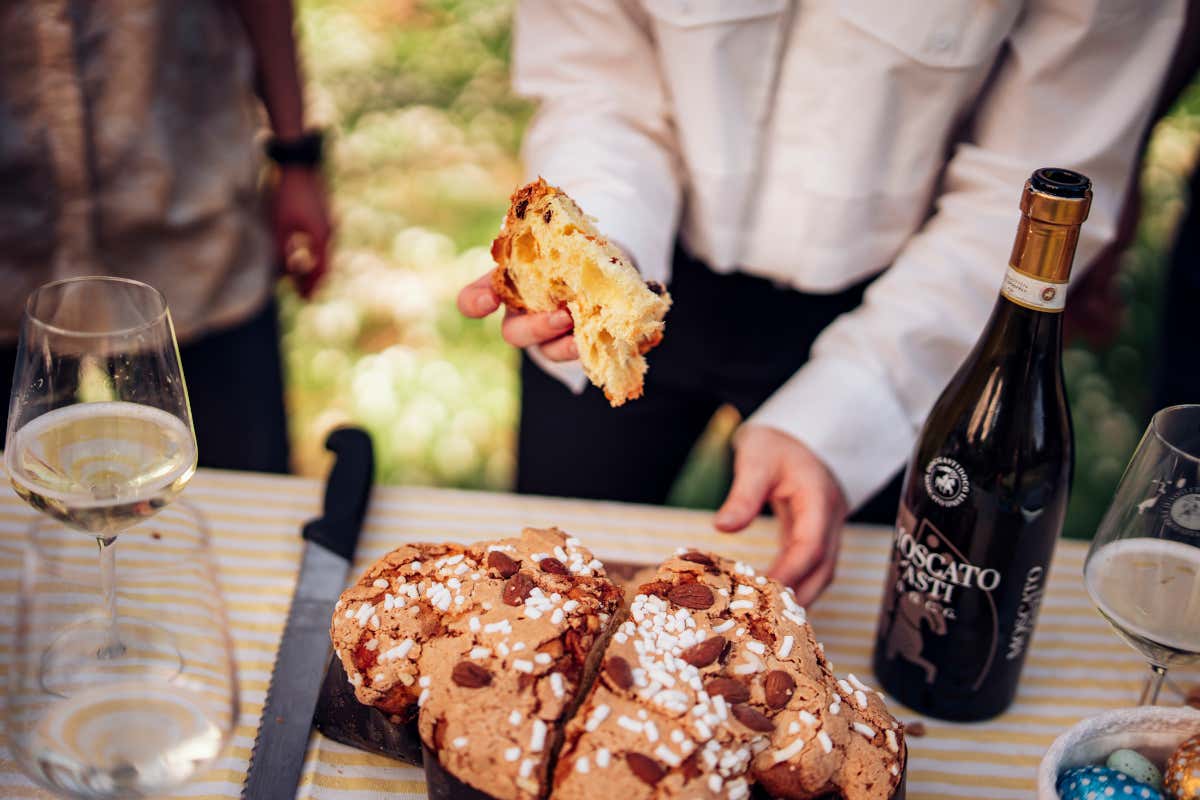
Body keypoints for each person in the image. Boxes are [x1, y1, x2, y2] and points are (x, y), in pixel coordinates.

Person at [459, 0, 1186, 603]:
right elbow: (596, 76)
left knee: (832, 617)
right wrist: (597, 258)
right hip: (646, 248)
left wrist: (849, 414)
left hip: (907, 305)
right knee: (540, 582)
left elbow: (1034, 180)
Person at [0, 0, 331, 472]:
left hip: (196, 228)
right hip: (10, 248)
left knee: (239, 475)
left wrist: (295, 156)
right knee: (17, 497)